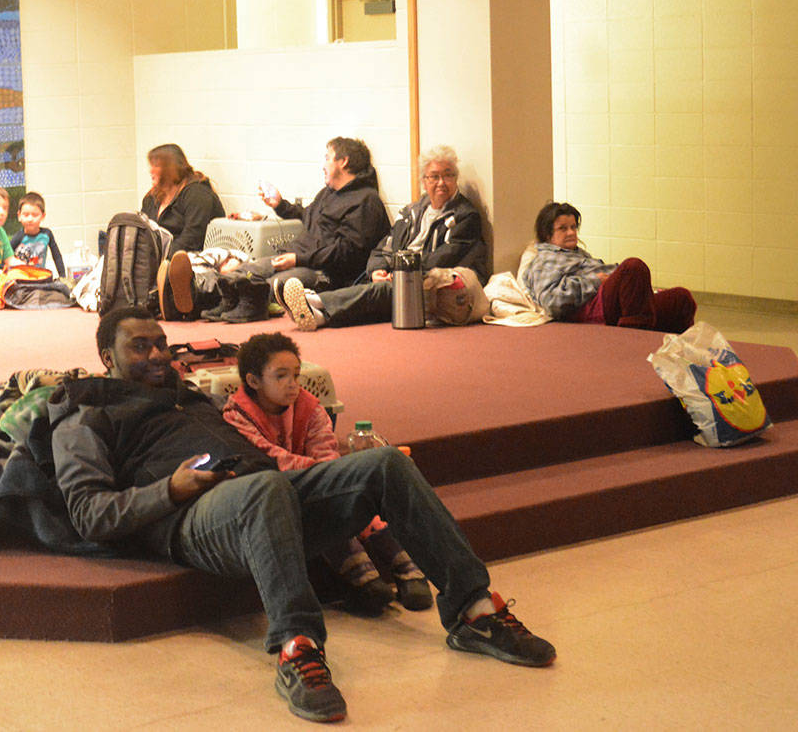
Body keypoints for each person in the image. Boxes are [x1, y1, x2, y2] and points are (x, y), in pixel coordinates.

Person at [51, 307, 556, 723]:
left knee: (382, 465)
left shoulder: (191, 397)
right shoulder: (85, 414)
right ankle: (298, 647)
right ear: (105, 356)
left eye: (161, 342)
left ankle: (475, 613)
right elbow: (89, 513)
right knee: (264, 487)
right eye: (140, 345)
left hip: (267, 491)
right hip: (192, 517)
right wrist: (170, 489)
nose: (158, 354)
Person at [221, 333, 432, 615]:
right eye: (281, 376)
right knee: (324, 507)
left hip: (315, 478)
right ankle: (363, 576)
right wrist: (322, 473)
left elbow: (326, 451)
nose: (292, 384)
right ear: (253, 381)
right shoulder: (236, 415)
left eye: (296, 374)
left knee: (349, 496)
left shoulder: (309, 407)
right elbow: (267, 457)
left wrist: (328, 474)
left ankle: (405, 567)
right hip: (275, 491)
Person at [167, 137, 389, 323]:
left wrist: (298, 259)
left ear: (344, 161)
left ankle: (196, 301)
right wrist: (279, 204)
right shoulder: (328, 193)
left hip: (326, 273)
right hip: (298, 257)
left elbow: (347, 252)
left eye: (327, 158)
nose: (323, 164)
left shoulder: (366, 201)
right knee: (244, 271)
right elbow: (307, 216)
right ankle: (193, 297)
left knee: (272, 286)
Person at [279, 144, 487, 331]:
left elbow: (444, 256)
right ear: (424, 181)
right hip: (405, 275)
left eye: (448, 175)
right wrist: (377, 268)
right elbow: (384, 246)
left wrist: (401, 272)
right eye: (434, 176)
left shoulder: (464, 215)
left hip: (437, 282)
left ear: (456, 179)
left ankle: (316, 302)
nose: (441, 182)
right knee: (378, 288)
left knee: (386, 291)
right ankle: (318, 314)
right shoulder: (412, 212)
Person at [521, 201, 695, 332]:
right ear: (547, 234)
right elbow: (552, 301)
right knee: (633, 267)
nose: (571, 233)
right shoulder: (545, 261)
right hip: (594, 308)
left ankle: (679, 356)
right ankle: (633, 340)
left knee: (680, 298)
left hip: (612, 300)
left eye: (573, 227)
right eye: (563, 228)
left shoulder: (578, 254)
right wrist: (595, 280)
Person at [141, 143, 225, 256]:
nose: (151, 171)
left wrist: (159, 260)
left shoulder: (197, 193)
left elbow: (192, 239)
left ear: (169, 168)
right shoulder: (152, 197)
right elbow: (143, 231)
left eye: (156, 166)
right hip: (158, 261)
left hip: (191, 262)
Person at [10, 191, 66, 278]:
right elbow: (6, 258)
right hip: (22, 278)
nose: (30, 219)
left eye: (35, 215)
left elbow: (57, 256)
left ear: (43, 216)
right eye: (26, 215)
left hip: (40, 276)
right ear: (19, 216)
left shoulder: (47, 234)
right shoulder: (18, 237)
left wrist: (62, 276)